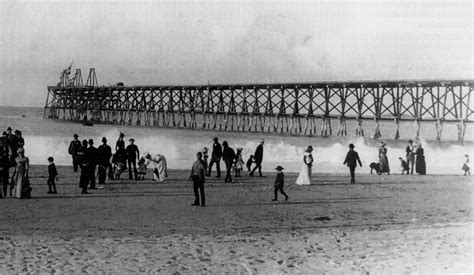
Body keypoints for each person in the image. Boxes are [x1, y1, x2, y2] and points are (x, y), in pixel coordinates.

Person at [0, 132, 10, 198]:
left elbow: (7, 161)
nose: (1, 143)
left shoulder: (6, 150)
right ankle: (1, 194)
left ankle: (5, 194)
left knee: (4, 182)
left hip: (4, 168)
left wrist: (3, 167)